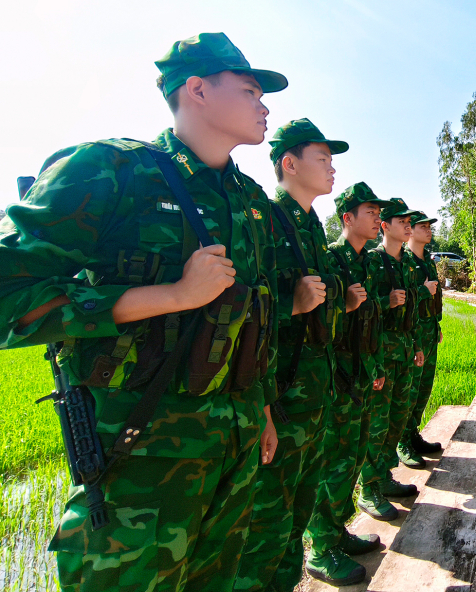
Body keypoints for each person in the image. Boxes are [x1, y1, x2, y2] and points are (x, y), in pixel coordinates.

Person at [0, 32, 284, 591]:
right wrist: (172, 296)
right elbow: (9, 293)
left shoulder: (250, 200)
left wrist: (264, 409)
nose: (264, 107)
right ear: (197, 89)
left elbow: (255, 317)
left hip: (234, 450)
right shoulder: (111, 170)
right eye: (250, 91)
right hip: (138, 466)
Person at [234, 118, 354, 591]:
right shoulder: (264, 220)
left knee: (298, 508)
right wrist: (290, 302)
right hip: (280, 396)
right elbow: (244, 306)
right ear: (290, 163)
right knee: (267, 520)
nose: (332, 168)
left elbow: (329, 291)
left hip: (313, 392)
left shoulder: (310, 226)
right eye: (322, 159)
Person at [305, 182, 390, 586]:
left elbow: (371, 320)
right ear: (347, 218)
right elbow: (317, 322)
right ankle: (321, 550)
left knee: (353, 456)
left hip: (362, 372)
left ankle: (337, 531)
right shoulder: (330, 259)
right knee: (334, 462)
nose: (377, 219)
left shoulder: (369, 263)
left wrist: (375, 366)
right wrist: (346, 303)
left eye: (378, 213)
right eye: (370, 212)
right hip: (337, 377)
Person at [356, 198, 434, 520]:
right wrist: (384, 301)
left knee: (397, 418)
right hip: (381, 352)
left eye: (408, 222)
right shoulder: (372, 262)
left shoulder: (407, 264)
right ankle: (368, 489)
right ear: (385, 227)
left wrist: (416, 344)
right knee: (377, 422)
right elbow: (360, 309)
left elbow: (412, 310)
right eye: (401, 221)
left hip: (403, 349)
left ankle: (385, 476)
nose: (407, 225)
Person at [396, 212, 444, 469]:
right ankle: (402, 441)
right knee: (410, 389)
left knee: (424, 387)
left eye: (429, 226)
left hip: (429, 329)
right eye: (422, 226)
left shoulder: (428, 261)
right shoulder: (404, 262)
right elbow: (403, 298)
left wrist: (436, 325)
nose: (428, 230)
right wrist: (423, 292)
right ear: (410, 231)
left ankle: (413, 433)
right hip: (413, 333)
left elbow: (434, 298)